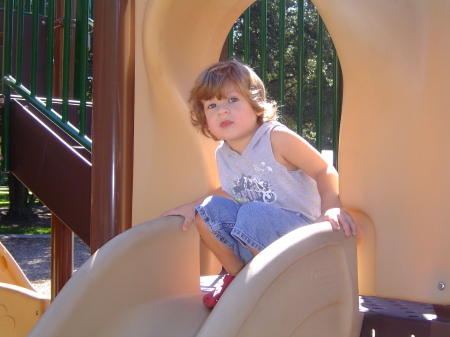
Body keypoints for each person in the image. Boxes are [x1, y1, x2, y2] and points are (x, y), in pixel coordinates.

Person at [160, 60, 357, 308]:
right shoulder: (223, 154)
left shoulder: (275, 137)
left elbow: (323, 169)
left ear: (255, 105)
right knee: (207, 212)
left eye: (232, 100)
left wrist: (330, 208)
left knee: (253, 213)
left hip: (299, 240)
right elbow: (234, 190)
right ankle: (238, 277)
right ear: (204, 118)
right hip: (252, 239)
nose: (222, 110)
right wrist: (193, 206)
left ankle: (271, 285)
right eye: (212, 105)